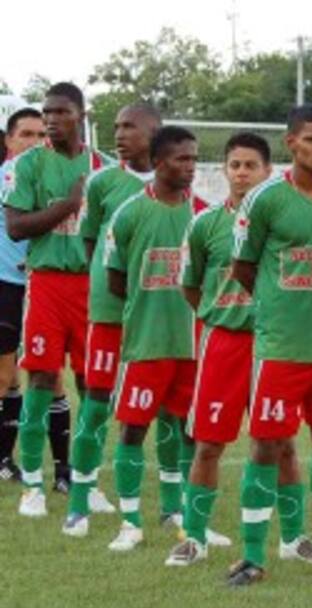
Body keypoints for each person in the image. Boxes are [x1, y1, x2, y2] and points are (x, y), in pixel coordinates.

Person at [226, 104, 312, 587]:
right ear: (291, 143)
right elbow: (243, 266)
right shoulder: (264, 199)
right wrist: (278, 305)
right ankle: (254, 556)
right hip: (281, 348)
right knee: (267, 445)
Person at [165, 132, 277, 566]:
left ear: (269, 171)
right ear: (225, 171)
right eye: (236, 165)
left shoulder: (279, 222)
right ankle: (193, 536)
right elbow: (190, 287)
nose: (243, 173)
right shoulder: (205, 224)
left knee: (278, 443)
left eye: (252, 165)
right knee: (209, 443)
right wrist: (220, 315)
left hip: (272, 343)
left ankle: (291, 538)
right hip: (223, 343)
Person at [1, 82, 111, 516]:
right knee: (42, 382)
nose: (50, 119)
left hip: (92, 289)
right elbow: (16, 227)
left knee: (93, 386)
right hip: (46, 284)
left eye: (60, 112)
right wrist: (70, 204)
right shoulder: (26, 164)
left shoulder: (104, 168)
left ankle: (87, 479)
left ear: (81, 115)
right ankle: (32, 484)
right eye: (46, 112)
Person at [63, 103, 165, 538]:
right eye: (117, 127)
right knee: (97, 404)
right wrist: (108, 290)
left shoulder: (173, 183)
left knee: (169, 413)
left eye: (130, 127)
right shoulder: (103, 181)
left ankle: (174, 510)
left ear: (155, 132)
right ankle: (79, 501)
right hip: (109, 315)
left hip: (159, 317)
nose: (121, 134)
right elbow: (91, 243)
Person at [102, 126, 206, 552]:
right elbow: (115, 280)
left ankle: (181, 512)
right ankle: (129, 521)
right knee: (132, 429)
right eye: (182, 159)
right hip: (145, 343)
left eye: (194, 159)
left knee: (187, 430)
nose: (191, 167)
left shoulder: (203, 213)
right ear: (159, 161)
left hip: (192, 344)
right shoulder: (129, 212)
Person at [0, 108, 45, 481]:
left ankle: (5, 459)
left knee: (20, 377)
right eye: (25, 134)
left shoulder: (43, 177)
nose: (33, 143)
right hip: (6, 286)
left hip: (37, 287)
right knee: (4, 376)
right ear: (8, 140)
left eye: (40, 135)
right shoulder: (8, 176)